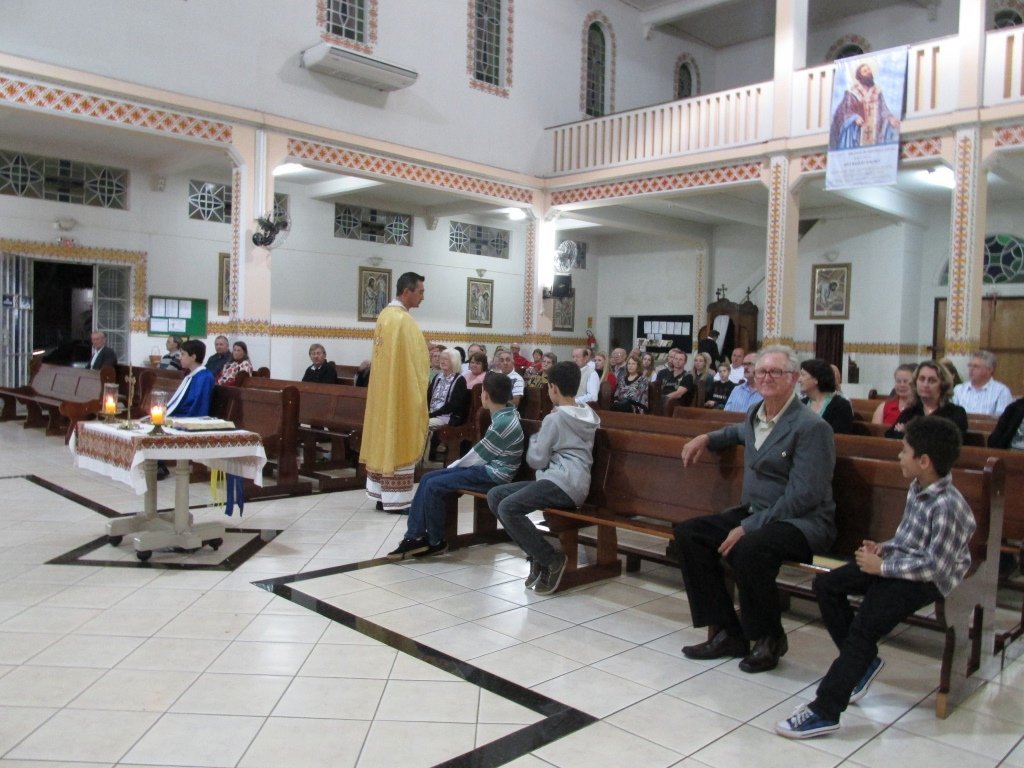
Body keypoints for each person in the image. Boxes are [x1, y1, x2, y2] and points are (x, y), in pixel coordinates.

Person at [777, 416, 974, 739]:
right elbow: (910, 540)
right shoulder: (919, 486)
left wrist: (881, 568)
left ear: (924, 461)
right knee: (827, 585)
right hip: (901, 564)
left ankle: (825, 710)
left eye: (904, 451)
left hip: (927, 581)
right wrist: (884, 548)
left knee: (864, 627)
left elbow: (935, 567)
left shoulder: (948, 506)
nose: (899, 456)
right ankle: (864, 663)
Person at [676, 346, 836, 674]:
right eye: (761, 371)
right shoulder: (756, 414)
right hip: (757, 513)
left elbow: (804, 496)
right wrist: (705, 438)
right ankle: (728, 632)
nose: (766, 377)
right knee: (690, 534)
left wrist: (749, 526)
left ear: (793, 378)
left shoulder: (811, 427)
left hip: (802, 523)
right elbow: (736, 432)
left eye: (776, 372)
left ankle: (769, 637)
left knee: (749, 549)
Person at [487, 361, 600, 595]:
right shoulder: (589, 414)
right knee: (496, 495)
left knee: (508, 508)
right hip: (572, 482)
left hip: (562, 483)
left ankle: (551, 559)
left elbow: (536, 459)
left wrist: (538, 436)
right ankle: (536, 556)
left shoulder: (555, 419)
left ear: (553, 388)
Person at [387, 371, 524, 560]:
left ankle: (435, 541)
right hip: (488, 469)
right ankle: (415, 536)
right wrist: (451, 470)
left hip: (495, 475)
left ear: (485, 395)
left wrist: (452, 469)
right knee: (427, 478)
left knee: (434, 484)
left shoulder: (504, 422)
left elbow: (477, 457)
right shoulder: (506, 413)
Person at [360, 271, 429, 513]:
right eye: (420, 292)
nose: (423, 297)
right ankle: (396, 500)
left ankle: (381, 496)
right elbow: (415, 360)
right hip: (400, 395)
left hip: (383, 394)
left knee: (383, 440)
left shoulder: (384, 316)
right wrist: (427, 352)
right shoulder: (403, 320)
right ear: (407, 291)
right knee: (399, 439)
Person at [885, 360, 968, 441]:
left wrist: (907, 433)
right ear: (915, 383)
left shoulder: (956, 413)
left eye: (932, 380)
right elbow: (890, 436)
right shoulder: (910, 412)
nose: (925, 384)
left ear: (943, 385)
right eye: (922, 379)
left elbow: (947, 441)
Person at [829, 60, 900, 150]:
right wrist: (854, 118)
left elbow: (883, 110)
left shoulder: (877, 92)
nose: (868, 72)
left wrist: (890, 118)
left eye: (869, 70)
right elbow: (844, 111)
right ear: (859, 76)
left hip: (875, 135)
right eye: (865, 71)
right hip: (856, 134)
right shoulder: (852, 93)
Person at [799, 358, 854, 434]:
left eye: (803, 375)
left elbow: (839, 437)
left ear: (816, 379)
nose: (799, 380)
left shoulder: (841, 406)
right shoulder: (801, 404)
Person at [952, 350, 1013, 416]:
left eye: (976, 366)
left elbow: (1002, 418)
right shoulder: (959, 389)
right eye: (970, 365)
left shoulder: (1001, 391)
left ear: (989, 370)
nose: (971, 369)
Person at [165, 340, 214, 418]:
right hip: (179, 415)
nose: (180, 358)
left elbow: (199, 407)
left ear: (193, 357)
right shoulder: (192, 375)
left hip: (188, 418)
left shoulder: (204, 377)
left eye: (183, 354)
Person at [427, 348, 469, 428]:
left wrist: (432, 414)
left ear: (454, 361)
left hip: (448, 416)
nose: (442, 362)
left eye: (445, 359)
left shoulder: (459, 380)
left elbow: (454, 405)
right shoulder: (437, 377)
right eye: (441, 359)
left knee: (423, 424)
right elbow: (428, 397)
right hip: (432, 413)